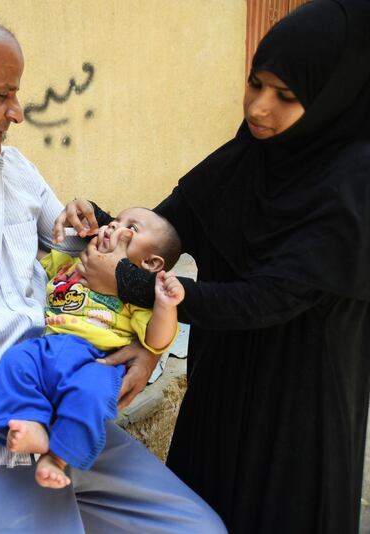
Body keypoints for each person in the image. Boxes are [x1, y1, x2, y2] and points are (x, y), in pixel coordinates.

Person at [0, 12, 225, 533]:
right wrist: (29, 410)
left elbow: (81, 262)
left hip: (73, 410)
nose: (18, 112)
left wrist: (145, 340)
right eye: (2, 94)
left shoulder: (14, 171)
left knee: (199, 529)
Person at [53, 1, 370, 532]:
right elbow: (174, 224)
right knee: (205, 507)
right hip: (222, 376)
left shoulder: (353, 182)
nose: (260, 108)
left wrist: (134, 285)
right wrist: (106, 227)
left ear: (332, 96)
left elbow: (268, 298)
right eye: (256, 83)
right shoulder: (253, 154)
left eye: (286, 96)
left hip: (299, 402)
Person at [0, 208, 184, 490]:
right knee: (15, 361)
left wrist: (165, 304)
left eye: (131, 228)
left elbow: (157, 340)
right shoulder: (70, 265)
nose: (113, 225)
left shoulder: (135, 297)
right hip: (49, 347)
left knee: (91, 396)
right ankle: (31, 422)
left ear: (150, 262)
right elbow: (31, 254)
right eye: (115, 220)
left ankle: (57, 457)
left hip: (97, 360)